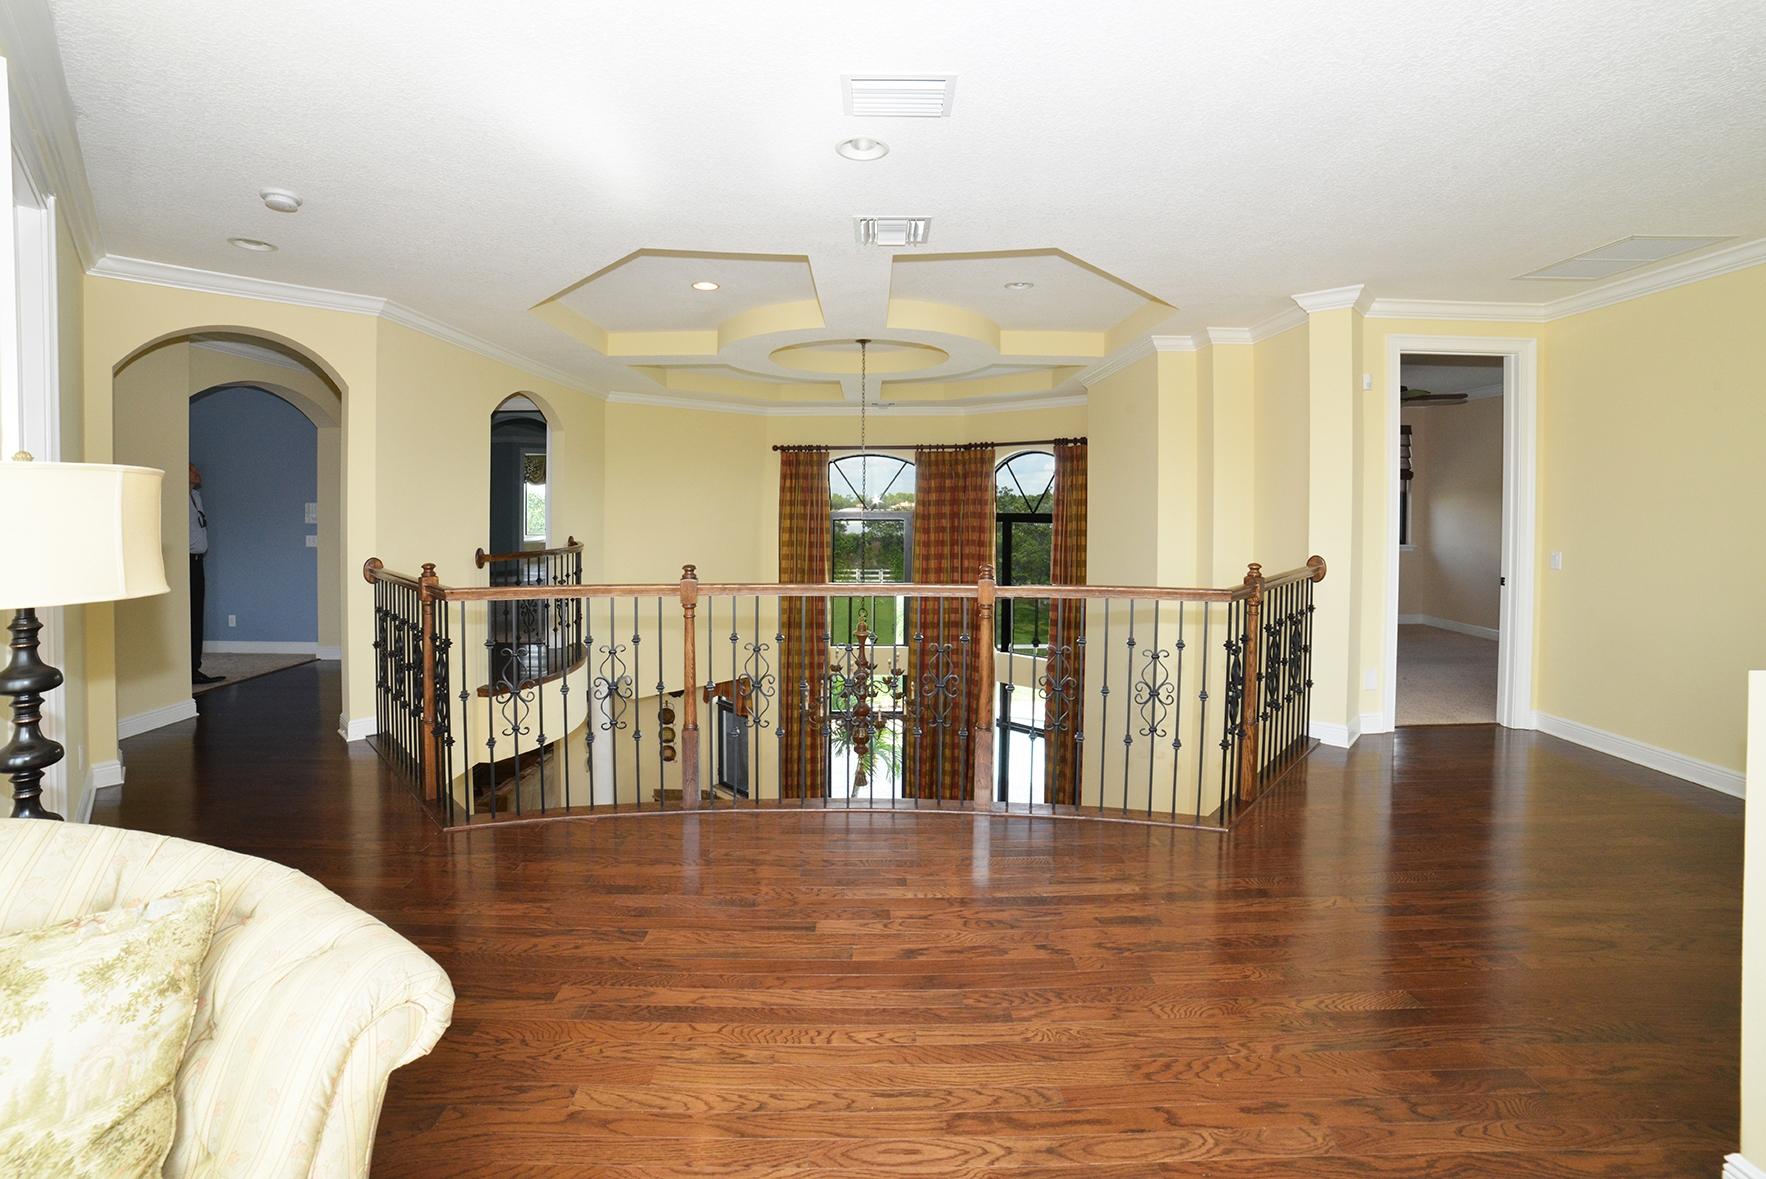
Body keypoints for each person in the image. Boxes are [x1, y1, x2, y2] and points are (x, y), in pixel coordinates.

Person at [190, 463, 225, 685]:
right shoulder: (178, 497)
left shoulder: (195, 497)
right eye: (193, 470)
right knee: (190, 616)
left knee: (197, 614)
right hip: (185, 562)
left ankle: (195, 666)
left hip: (197, 561)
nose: (198, 473)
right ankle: (190, 669)